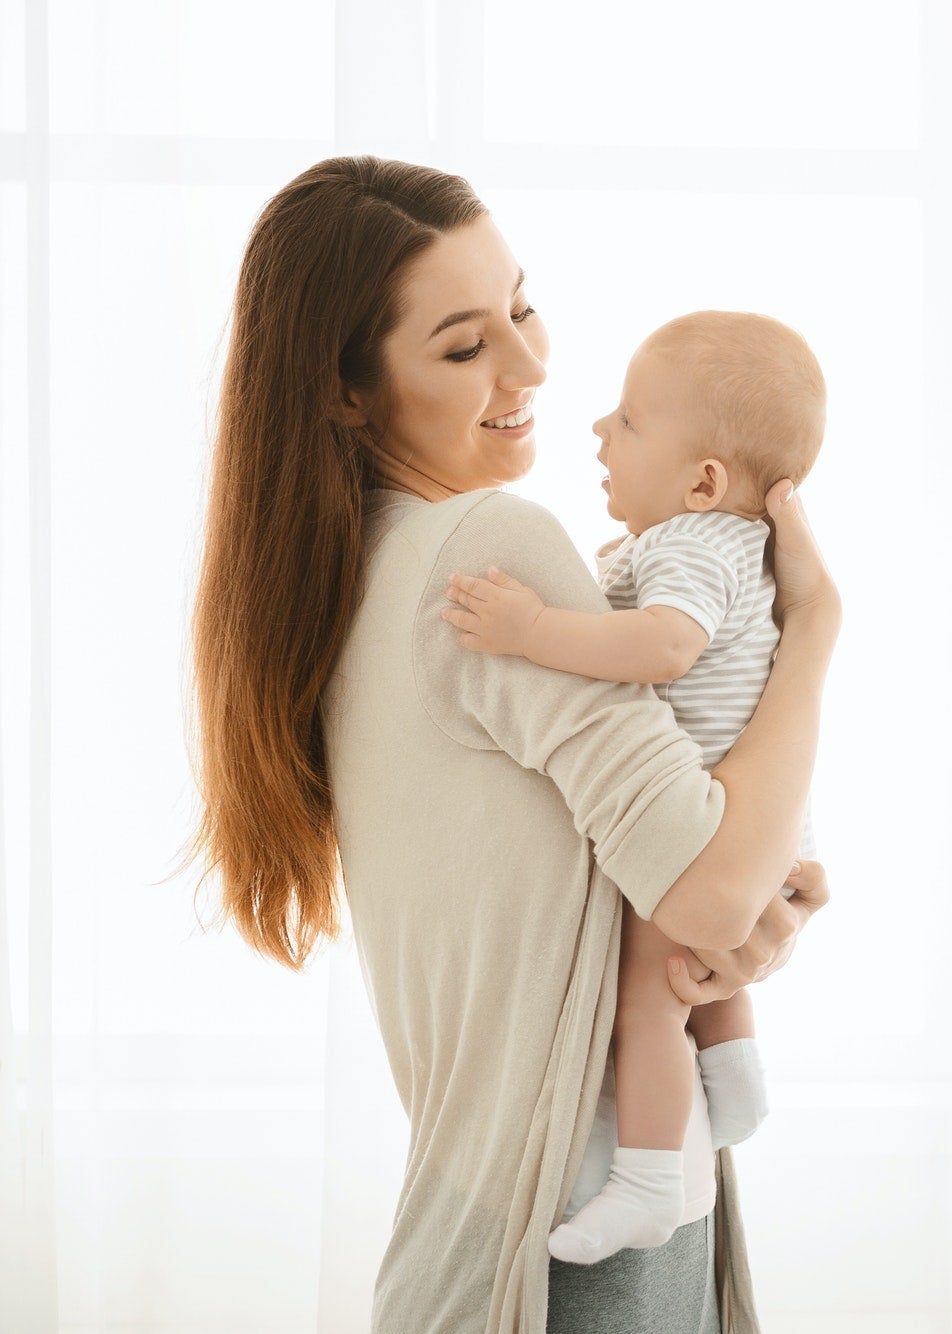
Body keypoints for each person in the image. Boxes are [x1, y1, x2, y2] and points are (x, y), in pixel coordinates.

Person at [180, 155, 837, 1334]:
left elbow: (620, 900)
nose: (530, 363)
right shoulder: (490, 549)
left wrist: (741, 926)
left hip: (484, 1212)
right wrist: (817, 631)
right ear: (348, 391)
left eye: (522, 307)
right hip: (574, 1219)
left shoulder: (356, 576)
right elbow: (705, 892)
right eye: (462, 344)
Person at [441, 310, 827, 1263]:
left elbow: (663, 648)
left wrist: (533, 629)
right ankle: (732, 1078)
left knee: (647, 997)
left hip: (711, 818)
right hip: (758, 810)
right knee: (693, 967)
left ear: (703, 482)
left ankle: (649, 1181)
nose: (598, 433)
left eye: (628, 421)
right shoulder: (721, 549)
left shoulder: (693, 546)